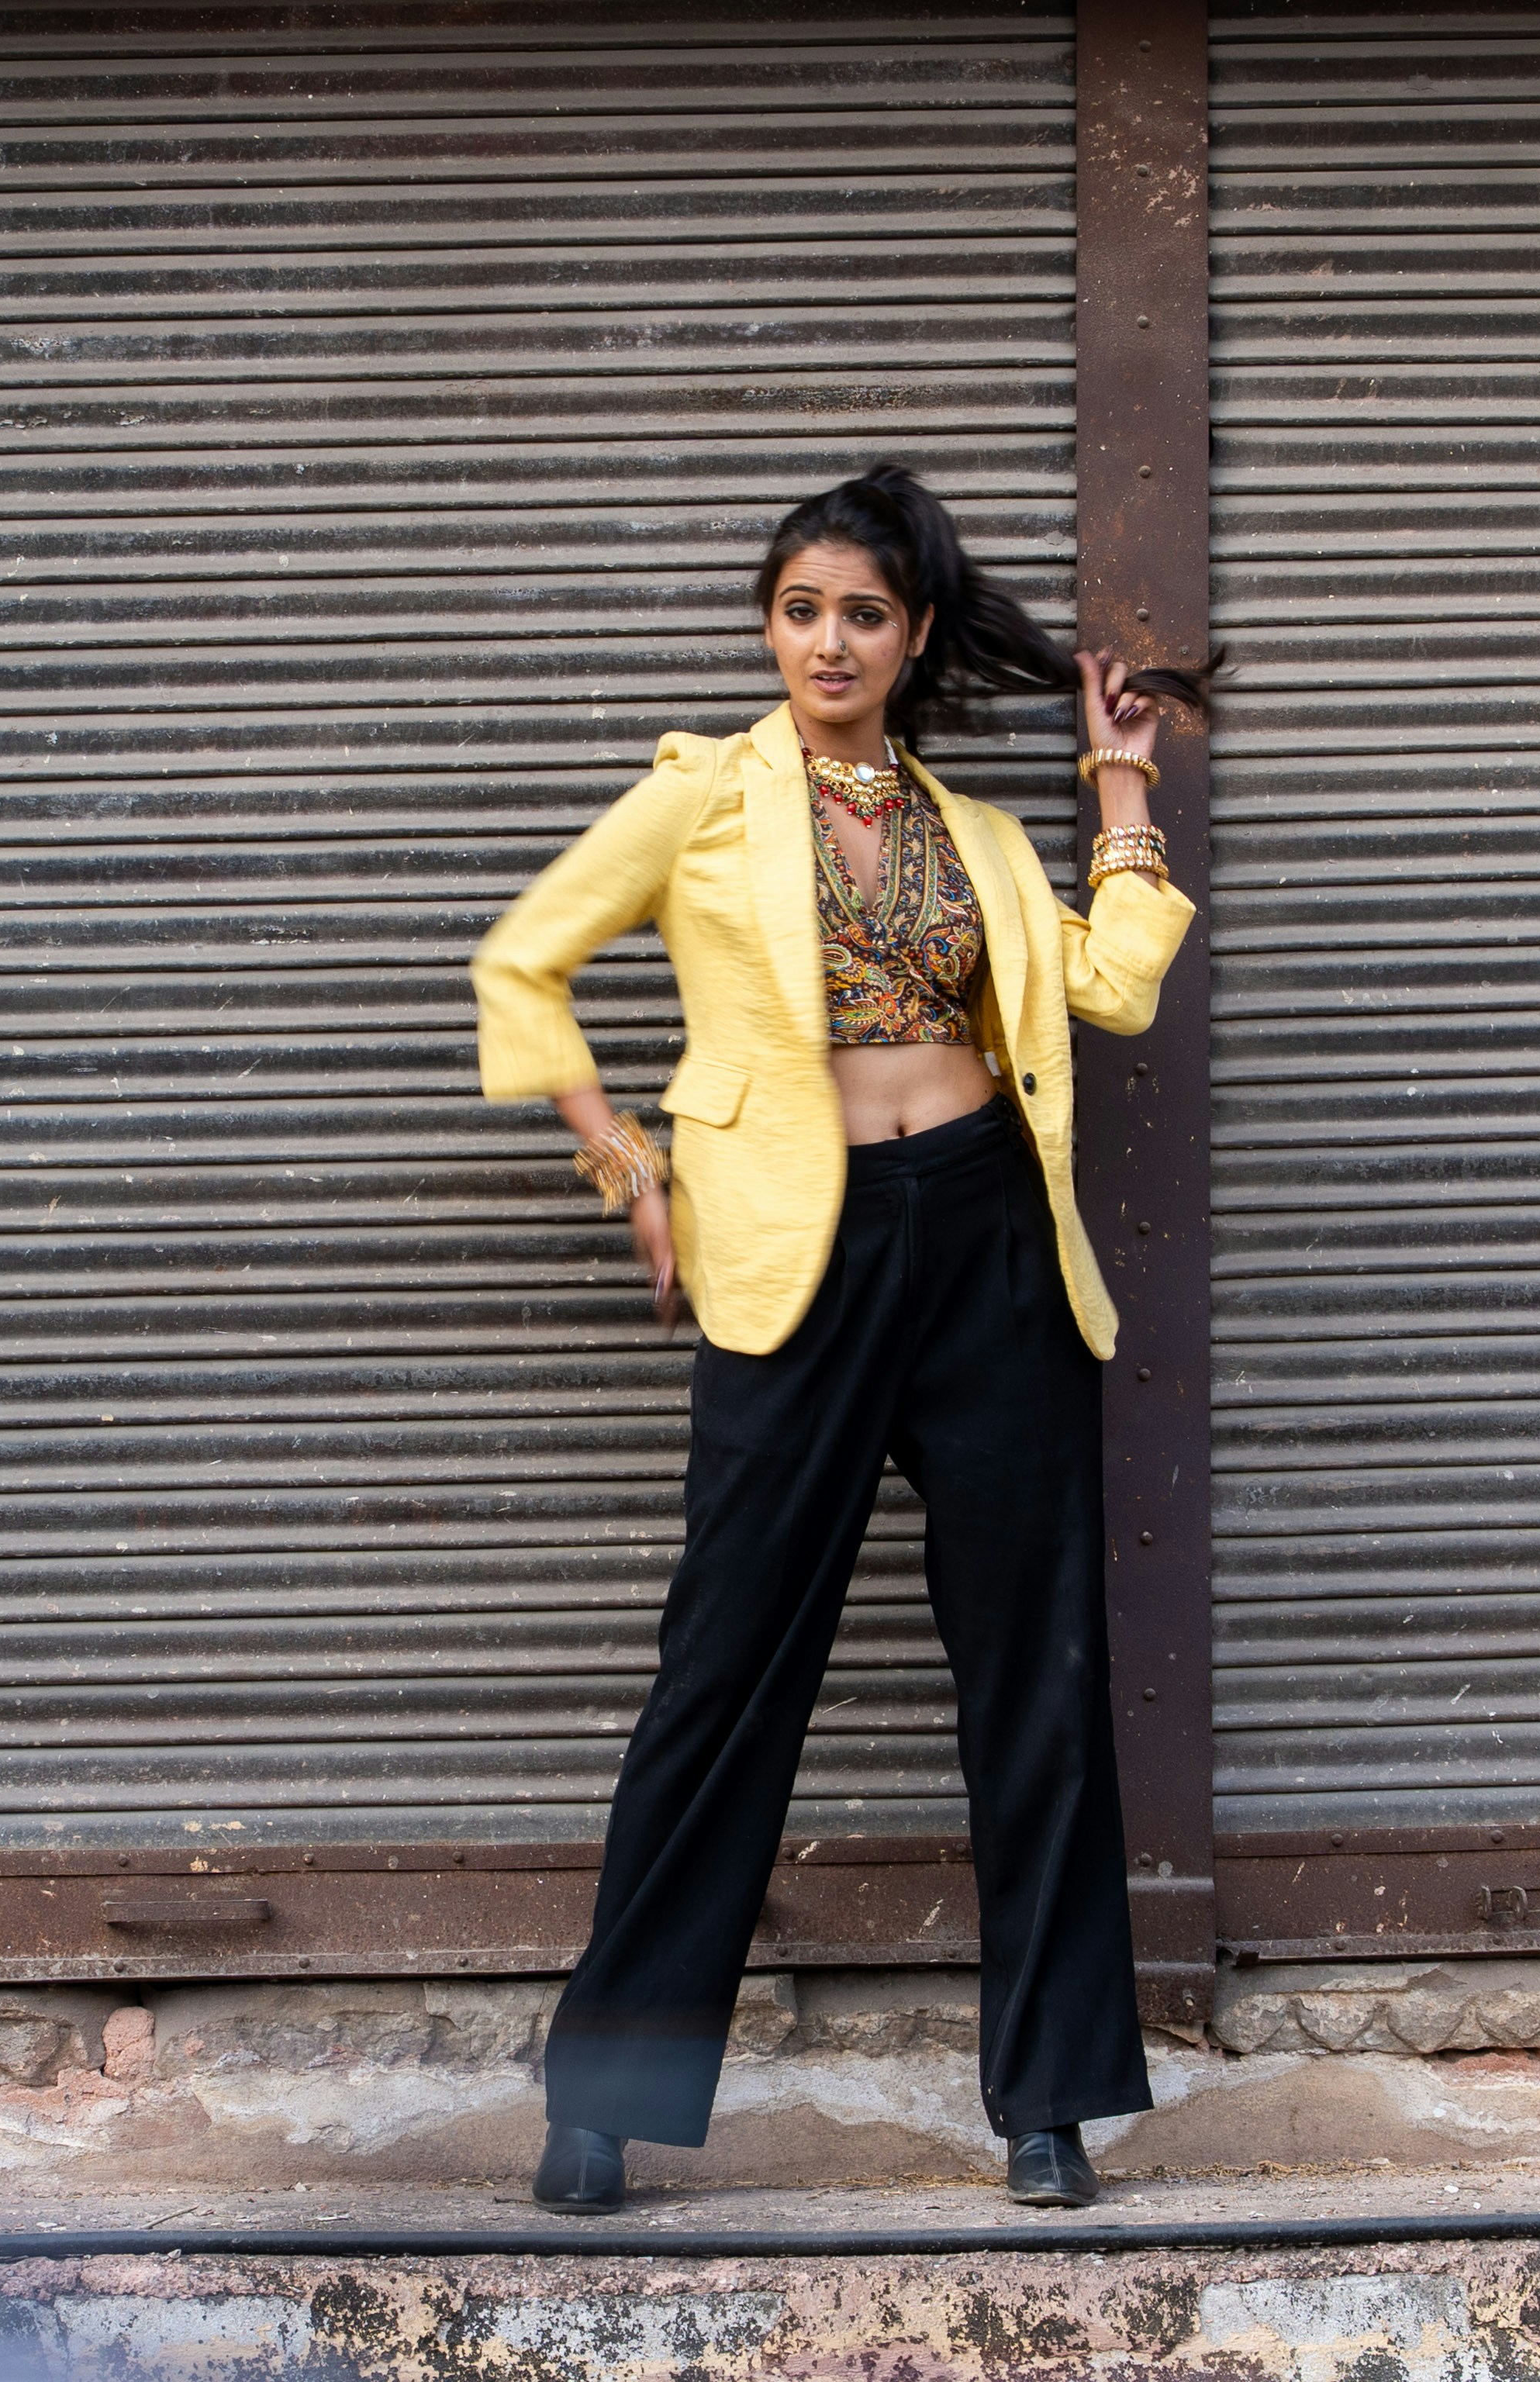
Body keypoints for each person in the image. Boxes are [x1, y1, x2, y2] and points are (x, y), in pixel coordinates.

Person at [470, 464, 1203, 2215]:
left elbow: (1112, 989)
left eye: (862, 614)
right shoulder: (704, 798)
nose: (827, 641)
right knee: (722, 1672)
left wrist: (1118, 787)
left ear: (914, 635)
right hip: (790, 1260)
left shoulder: (986, 836)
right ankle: (608, 2100)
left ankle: (1049, 2099)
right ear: (769, 626)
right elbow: (522, 963)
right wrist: (629, 1172)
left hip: (991, 1245)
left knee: (1038, 1672)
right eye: (800, 610)